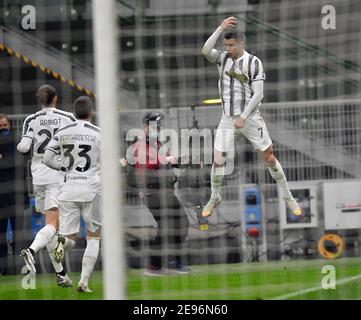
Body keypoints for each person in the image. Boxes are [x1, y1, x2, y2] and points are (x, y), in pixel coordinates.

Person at [201, 16, 302, 218]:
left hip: (250, 119)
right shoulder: (223, 58)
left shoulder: (253, 62)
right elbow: (205, 51)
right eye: (226, 45)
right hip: (228, 119)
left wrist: (244, 117)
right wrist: (220, 28)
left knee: (270, 157)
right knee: (218, 159)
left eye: (231, 45)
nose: (228, 48)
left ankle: (288, 196)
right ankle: (214, 197)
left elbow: (259, 94)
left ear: (241, 43)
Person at [17, 84, 75, 287]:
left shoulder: (31, 119)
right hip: (58, 176)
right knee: (53, 226)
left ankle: (61, 275)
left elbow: (23, 147)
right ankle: (31, 251)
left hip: (38, 177)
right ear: (55, 98)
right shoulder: (67, 117)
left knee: (49, 227)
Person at [43, 96, 101, 293]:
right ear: (91, 112)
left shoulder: (63, 131)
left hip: (67, 190)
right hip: (92, 191)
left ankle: (58, 244)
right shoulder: (98, 133)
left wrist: (64, 166)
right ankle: (83, 282)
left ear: (74, 112)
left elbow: (47, 158)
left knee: (69, 239)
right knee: (94, 237)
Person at [123, 112, 190, 276]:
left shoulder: (157, 144)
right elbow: (148, 165)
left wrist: (180, 161)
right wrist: (167, 160)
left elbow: (166, 161)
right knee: (170, 225)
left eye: (159, 125)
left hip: (164, 190)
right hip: (153, 192)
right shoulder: (140, 145)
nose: (158, 128)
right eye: (154, 125)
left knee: (179, 223)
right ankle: (156, 265)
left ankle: (169, 262)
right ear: (146, 126)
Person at [0, 114, 16, 275]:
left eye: (5, 125)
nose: (3, 129)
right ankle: (3, 268)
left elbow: (16, 161)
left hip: (15, 196)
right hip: (1, 198)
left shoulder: (16, 141)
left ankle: (21, 266)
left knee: (18, 232)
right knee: (2, 234)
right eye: (0, 126)